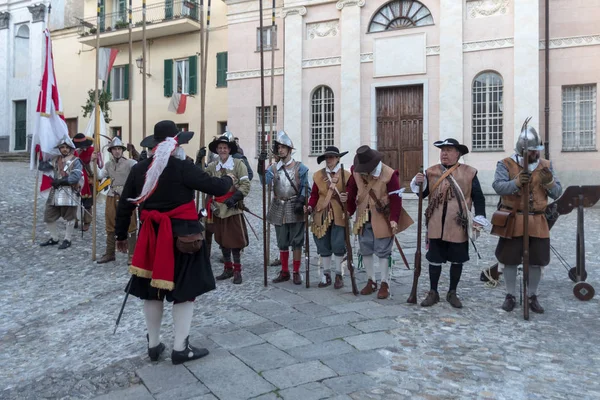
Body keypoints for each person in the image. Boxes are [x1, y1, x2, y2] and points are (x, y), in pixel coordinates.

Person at [115, 120, 234, 364]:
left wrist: (120, 235)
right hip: (184, 240)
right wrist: (229, 179)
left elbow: (125, 204)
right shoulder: (182, 167)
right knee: (184, 291)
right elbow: (216, 187)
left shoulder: (139, 169)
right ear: (174, 144)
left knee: (152, 292)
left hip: (151, 238)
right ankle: (180, 348)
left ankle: (154, 344)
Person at [492, 122, 562, 314]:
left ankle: (532, 295)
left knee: (537, 261)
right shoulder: (505, 163)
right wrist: (515, 182)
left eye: (537, 150)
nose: (536, 153)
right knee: (510, 259)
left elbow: (557, 193)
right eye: (532, 150)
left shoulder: (546, 165)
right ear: (523, 150)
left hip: (538, 220)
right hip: (514, 220)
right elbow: (498, 186)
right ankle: (510, 295)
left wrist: (549, 183)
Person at [411, 138, 486, 308]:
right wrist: (418, 183)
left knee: (456, 260)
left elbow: (478, 197)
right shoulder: (430, 172)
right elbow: (422, 196)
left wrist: (479, 217)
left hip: (458, 224)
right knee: (434, 259)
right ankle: (433, 292)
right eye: (443, 150)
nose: (444, 153)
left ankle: (452, 291)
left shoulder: (469, 172)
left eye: (449, 150)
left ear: (458, 154)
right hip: (436, 224)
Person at [347, 145, 411, 299]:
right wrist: (348, 212)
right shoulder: (356, 172)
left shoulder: (389, 174)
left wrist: (394, 218)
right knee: (366, 248)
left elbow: (396, 198)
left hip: (382, 216)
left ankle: (384, 283)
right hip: (363, 216)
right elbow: (351, 192)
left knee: (383, 250)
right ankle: (371, 280)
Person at [258, 131, 309, 285]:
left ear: (289, 149)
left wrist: (302, 200)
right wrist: (260, 167)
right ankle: (285, 271)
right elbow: (264, 182)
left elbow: (306, 188)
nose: (280, 150)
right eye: (278, 147)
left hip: (295, 206)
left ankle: (296, 272)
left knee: (297, 241)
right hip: (279, 206)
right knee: (282, 241)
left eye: (283, 147)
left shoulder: (301, 168)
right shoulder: (273, 168)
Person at [204, 134, 251, 284]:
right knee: (222, 240)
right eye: (220, 148)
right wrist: (198, 162)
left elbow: (246, 184)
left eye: (225, 147)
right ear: (217, 150)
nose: (222, 150)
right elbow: (200, 179)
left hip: (232, 207)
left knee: (235, 241)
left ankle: (237, 270)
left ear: (229, 149)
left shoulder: (238, 164)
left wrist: (235, 197)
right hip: (217, 209)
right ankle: (228, 268)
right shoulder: (212, 166)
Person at [305, 146, 350, 289]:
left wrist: (346, 199)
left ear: (338, 158)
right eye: (327, 157)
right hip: (321, 212)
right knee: (323, 245)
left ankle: (338, 275)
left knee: (338, 245)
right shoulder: (318, 175)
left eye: (331, 157)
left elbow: (351, 195)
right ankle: (325, 274)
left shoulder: (346, 175)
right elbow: (314, 195)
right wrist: (310, 206)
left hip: (339, 213)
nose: (328, 160)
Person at [95, 137, 138, 264]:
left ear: (122, 150)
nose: (117, 151)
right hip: (112, 196)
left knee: (130, 224)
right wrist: (91, 162)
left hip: (127, 197)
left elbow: (141, 167)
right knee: (110, 224)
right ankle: (110, 253)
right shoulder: (108, 165)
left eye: (119, 149)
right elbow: (98, 175)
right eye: (115, 149)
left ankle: (132, 254)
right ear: (111, 151)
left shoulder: (131, 163)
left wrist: (134, 152)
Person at [39, 138, 84, 250]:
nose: (64, 149)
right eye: (62, 147)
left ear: (70, 148)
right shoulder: (55, 160)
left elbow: (75, 177)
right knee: (48, 216)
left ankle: (67, 239)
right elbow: (45, 167)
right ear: (59, 149)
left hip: (69, 191)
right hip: (55, 191)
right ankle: (54, 238)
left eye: (66, 147)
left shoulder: (76, 161)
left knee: (70, 217)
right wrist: (40, 157)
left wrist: (61, 181)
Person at [73, 133, 102, 231]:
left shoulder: (92, 151)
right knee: (75, 200)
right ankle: (75, 219)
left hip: (88, 179)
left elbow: (98, 166)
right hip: (76, 178)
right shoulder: (73, 151)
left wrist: (92, 160)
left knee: (87, 202)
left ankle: (87, 221)